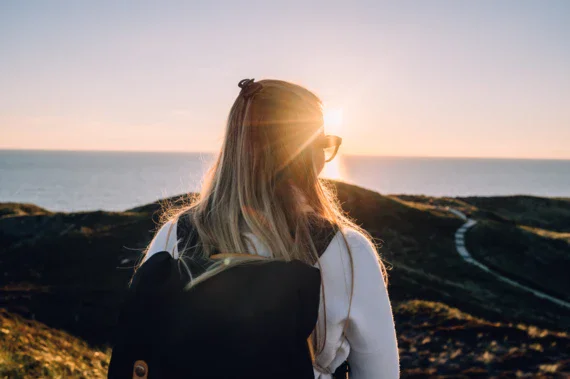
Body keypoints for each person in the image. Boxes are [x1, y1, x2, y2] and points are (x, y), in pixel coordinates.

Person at [124, 79, 399, 378]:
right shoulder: (347, 250)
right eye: (322, 143)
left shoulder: (173, 236)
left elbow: (142, 339)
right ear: (307, 152)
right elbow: (380, 372)